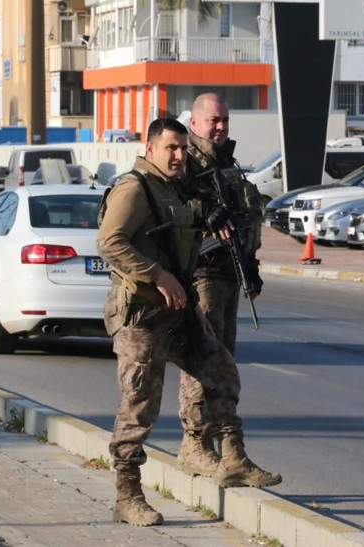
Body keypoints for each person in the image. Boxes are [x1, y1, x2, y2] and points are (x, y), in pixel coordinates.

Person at [96, 118, 279, 527]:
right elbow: (110, 242)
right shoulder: (135, 187)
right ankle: (128, 495)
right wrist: (156, 276)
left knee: (220, 370)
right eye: (170, 149)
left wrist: (194, 303)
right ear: (150, 147)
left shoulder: (173, 188)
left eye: (182, 148)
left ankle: (233, 457)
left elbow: (180, 252)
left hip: (178, 312)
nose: (179, 156)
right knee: (139, 407)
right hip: (141, 317)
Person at [175, 93, 271, 480]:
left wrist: (251, 263)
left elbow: (245, 217)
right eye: (213, 120)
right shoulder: (185, 163)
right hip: (202, 275)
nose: (220, 127)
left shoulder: (227, 165)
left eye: (225, 121)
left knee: (223, 361)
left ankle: (218, 446)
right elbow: (175, 207)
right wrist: (204, 211)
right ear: (194, 122)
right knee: (203, 359)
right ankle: (195, 444)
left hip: (230, 275)